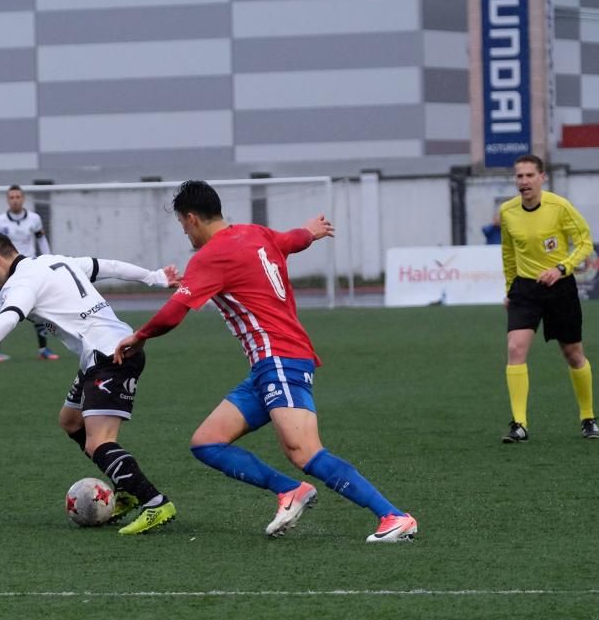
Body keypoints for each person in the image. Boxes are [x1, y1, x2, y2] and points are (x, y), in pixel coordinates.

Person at [114, 180, 417, 544]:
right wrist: (311, 231)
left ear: (192, 219)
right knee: (207, 442)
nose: (185, 232)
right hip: (267, 367)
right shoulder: (254, 233)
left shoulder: (210, 256)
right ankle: (290, 491)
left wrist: (140, 336)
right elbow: (292, 239)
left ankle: (394, 516)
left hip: (281, 359)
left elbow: (174, 312)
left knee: (303, 450)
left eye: (182, 224)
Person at [0, 231, 180, 535]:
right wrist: (154, 276)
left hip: (111, 356)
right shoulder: (53, 262)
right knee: (70, 421)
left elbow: (7, 318)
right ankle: (128, 489)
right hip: (102, 353)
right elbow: (106, 265)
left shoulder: (21, 283)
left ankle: (154, 501)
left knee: (98, 441)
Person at [499, 154, 599, 443]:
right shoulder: (507, 212)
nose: (524, 181)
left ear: (542, 178)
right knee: (515, 348)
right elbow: (508, 253)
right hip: (524, 290)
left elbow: (585, 243)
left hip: (560, 288)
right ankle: (519, 424)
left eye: (530, 175)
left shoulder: (560, 207)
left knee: (573, 354)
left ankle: (588, 417)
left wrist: (561, 268)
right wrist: (510, 288)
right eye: (519, 176)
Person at [0, 185, 58, 362]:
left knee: (39, 307)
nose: (15, 200)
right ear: (7, 200)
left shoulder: (34, 219)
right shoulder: (0, 221)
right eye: (11, 197)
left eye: (18, 196)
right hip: (8, 270)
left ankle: (43, 349)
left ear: (23, 199)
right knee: (6, 308)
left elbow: (41, 240)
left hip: (30, 268)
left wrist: (48, 259)